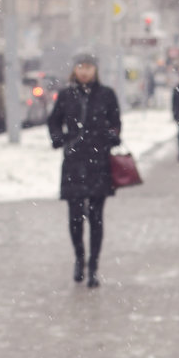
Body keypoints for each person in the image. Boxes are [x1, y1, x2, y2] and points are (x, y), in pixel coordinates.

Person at [47, 51, 122, 289]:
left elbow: (116, 121)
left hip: (99, 161)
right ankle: (79, 259)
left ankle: (94, 266)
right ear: (75, 69)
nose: (85, 71)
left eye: (89, 67)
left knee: (97, 218)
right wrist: (60, 139)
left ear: (95, 70)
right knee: (75, 217)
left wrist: (112, 137)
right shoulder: (67, 94)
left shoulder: (106, 95)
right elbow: (53, 121)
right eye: (81, 67)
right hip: (74, 161)